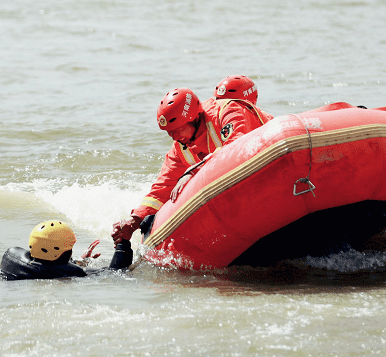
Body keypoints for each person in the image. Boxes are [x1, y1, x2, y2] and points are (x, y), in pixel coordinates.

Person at [110, 86, 271, 243]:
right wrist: (134, 221)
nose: (173, 137)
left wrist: (193, 173)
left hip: (269, 167)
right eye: (169, 132)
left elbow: (237, 148)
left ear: (193, 118)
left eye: (177, 130)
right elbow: (160, 190)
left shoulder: (227, 112)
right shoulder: (179, 148)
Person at [0, 220, 133, 280]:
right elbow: (117, 273)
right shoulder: (73, 272)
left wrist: (74, 261)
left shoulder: (11, 256)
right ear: (64, 253)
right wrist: (123, 243)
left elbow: (47, 262)